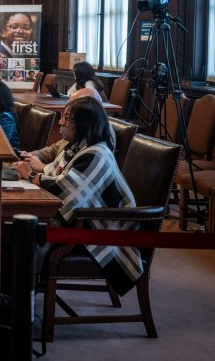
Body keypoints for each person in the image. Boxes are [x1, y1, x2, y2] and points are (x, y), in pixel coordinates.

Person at [11, 96, 141, 295]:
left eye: (67, 118)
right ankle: (17, 290)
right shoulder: (77, 146)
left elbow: (64, 187)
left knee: (22, 235)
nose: (61, 122)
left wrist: (29, 175)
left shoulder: (97, 153)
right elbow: (55, 174)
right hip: (81, 220)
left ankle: (21, 295)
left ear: (83, 124)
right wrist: (34, 173)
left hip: (102, 234)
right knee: (16, 228)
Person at [19, 87, 114, 171]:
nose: (61, 121)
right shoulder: (77, 133)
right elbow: (54, 150)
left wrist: (42, 168)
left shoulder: (100, 138)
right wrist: (26, 157)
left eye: (68, 115)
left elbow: (69, 180)